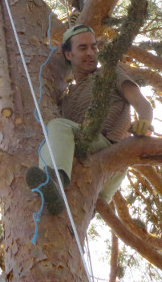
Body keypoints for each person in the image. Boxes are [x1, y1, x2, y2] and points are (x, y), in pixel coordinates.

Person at [26, 24, 153, 215]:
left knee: (57, 126)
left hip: (111, 150)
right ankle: (69, 200)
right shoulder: (66, 100)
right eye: (83, 48)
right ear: (69, 55)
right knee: (82, 211)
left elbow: (140, 101)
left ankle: (51, 182)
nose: (91, 53)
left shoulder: (110, 72)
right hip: (88, 170)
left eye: (94, 47)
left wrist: (146, 122)